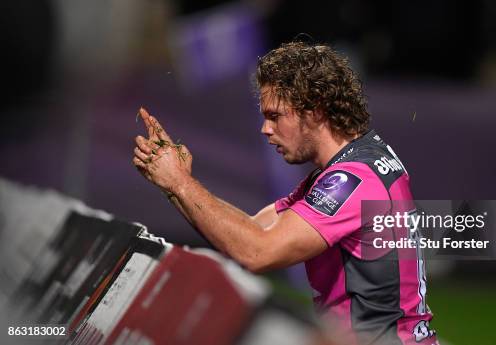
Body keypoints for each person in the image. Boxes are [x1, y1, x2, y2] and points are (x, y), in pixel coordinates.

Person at [132, 42, 437, 345]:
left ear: (315, 110)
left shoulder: (352, 179)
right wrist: (177, 184)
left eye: (276, 116)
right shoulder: (358, 161)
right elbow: (249, 232)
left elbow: (257, 252)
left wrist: (181, 184)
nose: (265, 128)